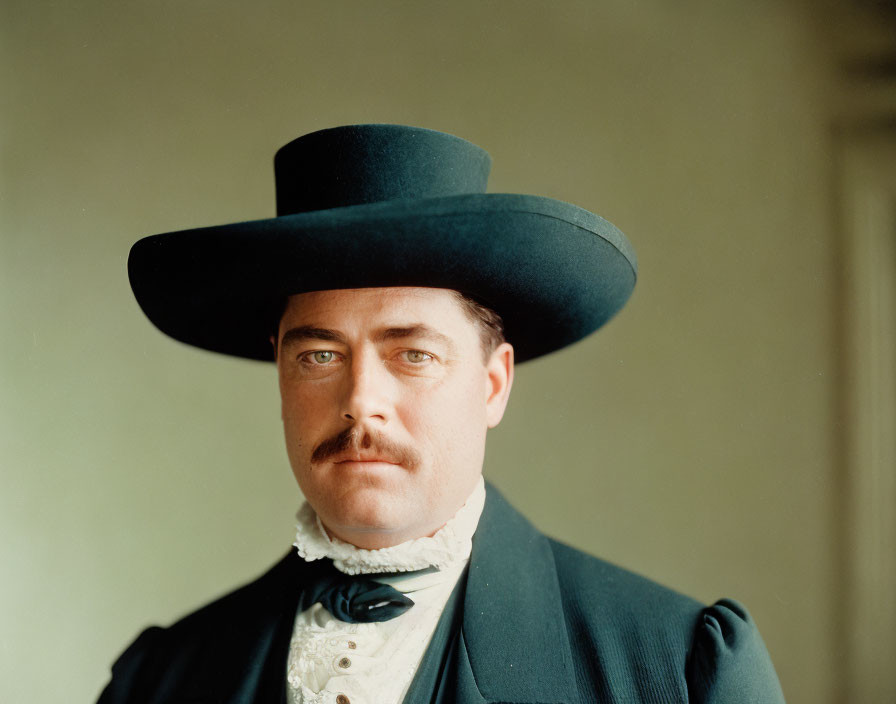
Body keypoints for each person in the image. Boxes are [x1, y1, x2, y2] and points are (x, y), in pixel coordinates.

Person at [98, 124, 786, 703]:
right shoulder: (163, 679)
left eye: (413, 355)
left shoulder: (675, 670)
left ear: (493, 384)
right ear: (280, 375)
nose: (361, 400)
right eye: (319, 357)